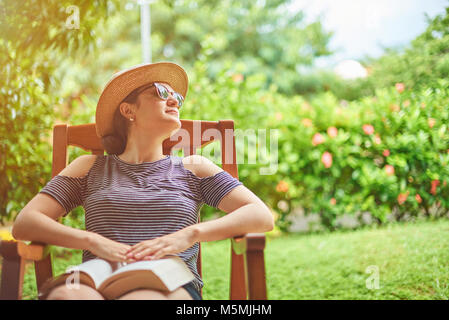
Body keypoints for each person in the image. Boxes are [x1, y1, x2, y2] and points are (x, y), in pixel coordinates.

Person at [12, 62, 274, 300]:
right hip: (96, 277)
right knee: (66, 297)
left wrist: (190, 235)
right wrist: (92, 241)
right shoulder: (89, 167)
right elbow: (25, 223)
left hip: (167, 283)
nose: (174, 100)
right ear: (128, 110)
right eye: (161, 91)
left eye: (177, 96)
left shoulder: (194, 167)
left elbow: (261, 215)